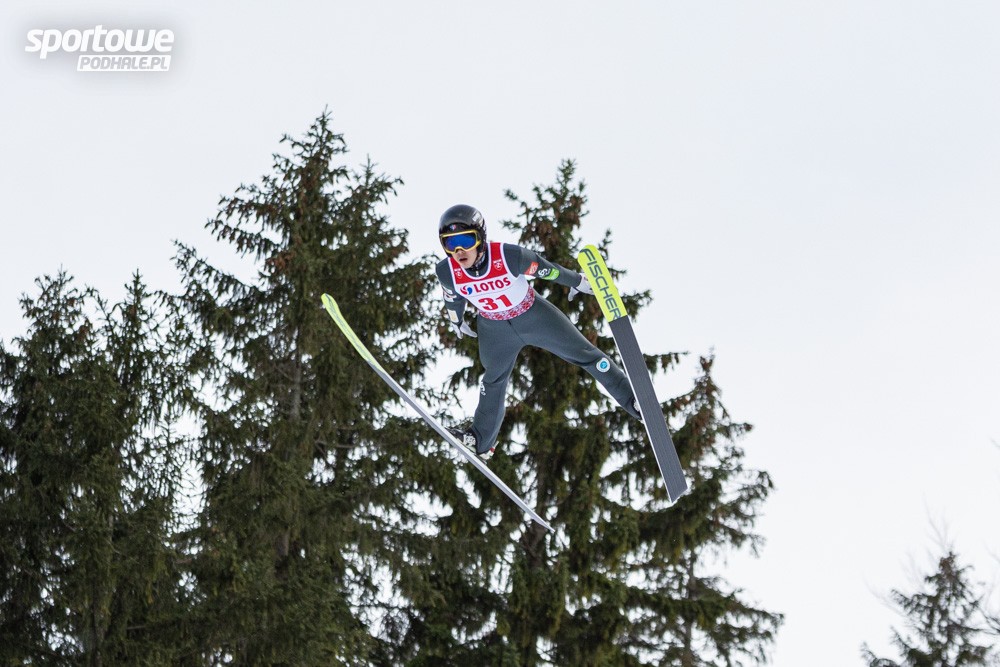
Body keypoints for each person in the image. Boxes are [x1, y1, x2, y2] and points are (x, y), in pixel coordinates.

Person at [435, 204, 642, 460]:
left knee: (585, 354)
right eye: (450, 243)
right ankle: (480, 441)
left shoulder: (508, 256)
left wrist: (577, 281)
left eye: (466, 240)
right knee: (492, 381)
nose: (459, 251)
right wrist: (456, 320)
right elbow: (452, 297)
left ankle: (634, 400)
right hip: (494, 329)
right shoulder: (447, 271)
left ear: (481, 238)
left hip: (533, 315)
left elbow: (547, 269)